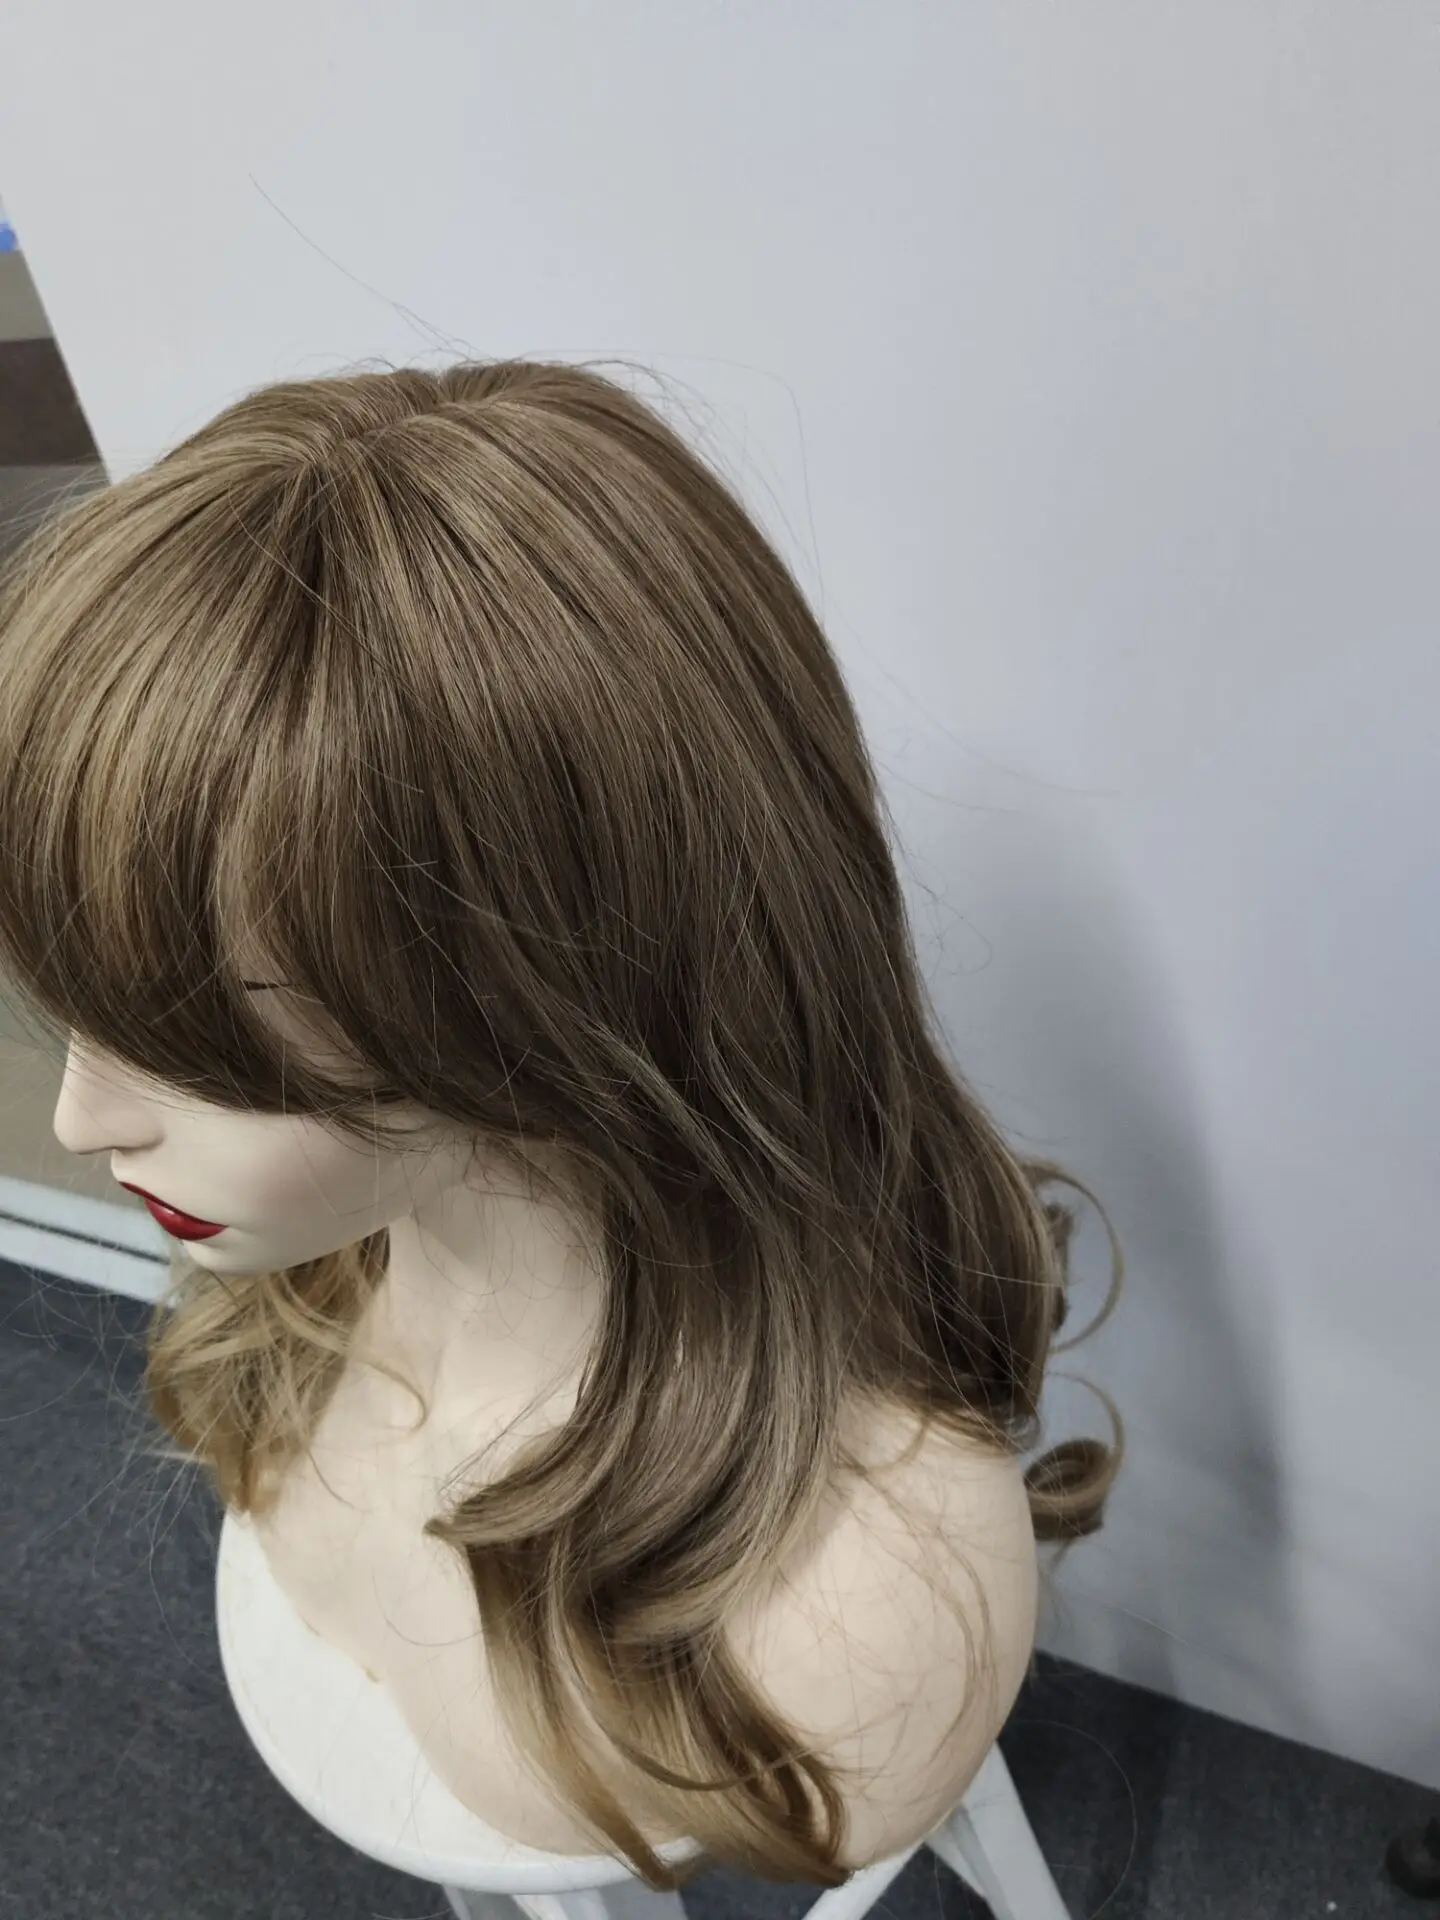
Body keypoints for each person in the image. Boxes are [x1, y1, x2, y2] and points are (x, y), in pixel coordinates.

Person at [0, 358, 1123, 1889]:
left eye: (208, 1049)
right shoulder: (318, 1300)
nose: (81, 1120)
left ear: (534, 1000)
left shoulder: (869, 1600)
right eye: (88, 1012)